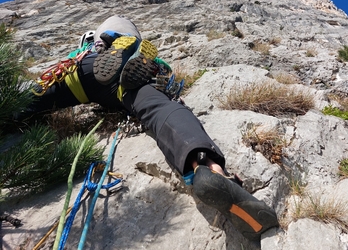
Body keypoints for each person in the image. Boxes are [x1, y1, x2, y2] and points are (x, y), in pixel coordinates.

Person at [26, 15, 279, 241]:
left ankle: (15, 108)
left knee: (32, 98)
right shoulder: (125, 27)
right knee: (159, 107)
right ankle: (205, 165)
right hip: (123, 82)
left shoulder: (87, 43)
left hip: (81, 70)